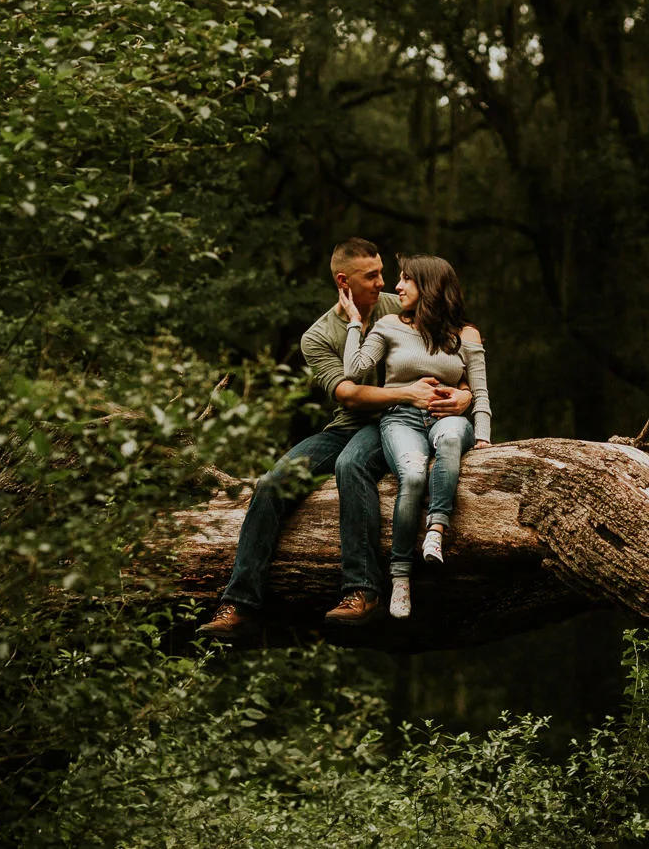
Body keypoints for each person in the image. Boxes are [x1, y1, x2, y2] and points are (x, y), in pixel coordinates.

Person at [197, 238, 473, 638]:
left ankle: (361, 590)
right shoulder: (318, 336)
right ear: (344, 281)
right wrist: (405, 393)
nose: (384, 283)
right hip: (350, 424)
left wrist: (465, 394)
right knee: (272, 483)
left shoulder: (401, 306)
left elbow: (454, 350)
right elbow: (347, 393)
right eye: (371, 276)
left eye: (383, 272)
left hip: (401, 423)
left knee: (352, 464)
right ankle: (238, 603)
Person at [339, 254, 491, 619]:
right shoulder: (390, 325)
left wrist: (483, 436)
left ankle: (436, 529)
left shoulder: (466, 335)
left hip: (446, 417)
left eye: (406, 279)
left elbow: (480, 391)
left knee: (451, 440)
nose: (397, 286)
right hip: (401, 419)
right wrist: (355, 324)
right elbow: (354, 370)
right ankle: (401, 575)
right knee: (413, 474)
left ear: (429, 286)